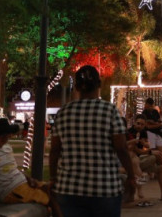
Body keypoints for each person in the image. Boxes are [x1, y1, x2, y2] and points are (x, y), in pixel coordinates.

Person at [49, 65, 140, 216]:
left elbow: (55, 150)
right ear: (99, 85)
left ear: (76, 87)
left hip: (69, 188)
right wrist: (131, 176)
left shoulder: (63, 112)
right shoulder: (109, 110)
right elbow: (121, 148)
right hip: (104, 188)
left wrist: (53, 178)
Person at [132, 115, 162, 203]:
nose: (139, 126)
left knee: (160, 163)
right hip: (132, 161)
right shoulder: (131, 133)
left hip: (140, 158)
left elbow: (144, 145)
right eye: (138, 123)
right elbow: (134, 149)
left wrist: (147, 147)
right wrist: (150, 152)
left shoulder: (142, 133)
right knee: (157, 155)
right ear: (134, 123)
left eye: (142, 124)